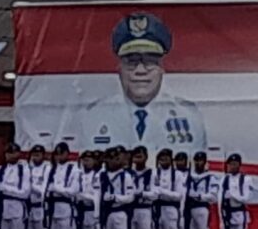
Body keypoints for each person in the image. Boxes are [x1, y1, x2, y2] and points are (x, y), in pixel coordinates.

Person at [58, 13, 208, 155]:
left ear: (162, 68)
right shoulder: (93, 117)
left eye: (149, 61)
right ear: (119, 68)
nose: (140, 70)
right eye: (132, 61)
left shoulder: (188, 116)